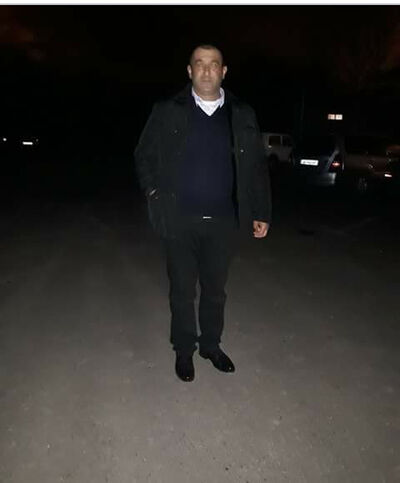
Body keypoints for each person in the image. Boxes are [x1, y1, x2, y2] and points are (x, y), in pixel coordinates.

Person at [135, 44, 271, 382]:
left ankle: (211, 346)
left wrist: (261, 211)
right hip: (179, 219)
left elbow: (256, 166)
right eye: (199, 63)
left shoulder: (242, 114)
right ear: (189, 71)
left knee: (215, 290)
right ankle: (184, 350)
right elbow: (143, 154)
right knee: (182, 291)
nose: (207, 70)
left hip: (224, 220)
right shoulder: (167, 110)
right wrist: (153, 193)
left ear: (224, 72)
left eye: (214, 64)